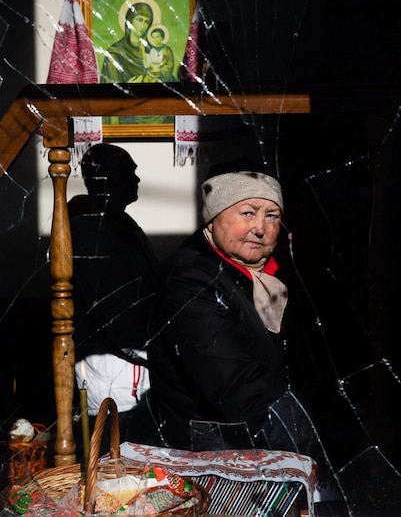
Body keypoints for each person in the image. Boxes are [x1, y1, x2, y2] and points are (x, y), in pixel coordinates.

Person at [147, 158, 289, 451]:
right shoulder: (189, 281)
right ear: (213, 218)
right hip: (213, 454)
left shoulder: (267, 276)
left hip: (253, 442)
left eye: (271, 215)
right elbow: (235, 386)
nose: (259, 228)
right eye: (247, 213)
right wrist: (299, 432)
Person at [68, 143, 159, 448]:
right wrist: (154, 349)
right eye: (129, 172)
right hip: (113, 368)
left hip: (134, 362)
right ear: (105, 179)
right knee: (115, 453)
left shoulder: (120, 225)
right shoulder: (89, 235)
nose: (137, 179)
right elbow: (114, 311)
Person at [100, 2, 153, 83]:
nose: (143, 25)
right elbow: (111, 86)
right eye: (140, 20)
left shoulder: (151, 50)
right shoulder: (115, 52)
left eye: (147, 22)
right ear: (130, 20)